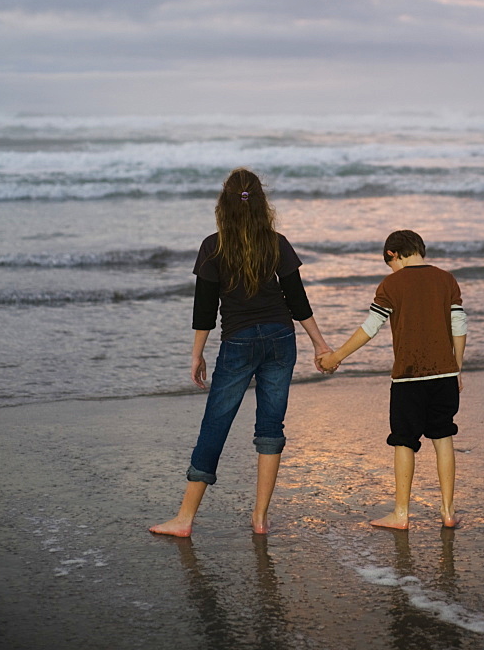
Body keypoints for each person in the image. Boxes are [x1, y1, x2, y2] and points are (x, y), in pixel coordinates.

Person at [150, 168, 332, 537]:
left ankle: (185, 519)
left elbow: (204, 311)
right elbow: (297, 300)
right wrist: (319, 343)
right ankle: (260, 518)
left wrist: (196, 355)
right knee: (270, 426)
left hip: (239, 343)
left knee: (216, 423)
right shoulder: (276, 242)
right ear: (261, 202)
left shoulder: (213, 246)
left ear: (224, 205)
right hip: (282, 339)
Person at [320, 229, 467, 530]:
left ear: (392, 254)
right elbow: (459, 325)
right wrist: (457, 368)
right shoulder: (447, 279)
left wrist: (336, 357)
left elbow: (371, 327)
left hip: (408, 377)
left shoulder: (392, 283)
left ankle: (401, 514)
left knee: (404, 440)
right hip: (445, 375)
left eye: (391, 263)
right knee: (443, 437)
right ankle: (448, 511)